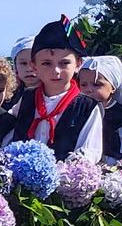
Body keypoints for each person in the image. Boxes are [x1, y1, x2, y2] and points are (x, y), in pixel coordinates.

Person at [21, 16, 103, 162]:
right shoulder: (25, 99)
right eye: (47, 63)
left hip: (66, 181)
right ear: (34, 65)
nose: (56, 71)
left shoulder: (87, 107)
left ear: (78, 64)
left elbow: (90, 152)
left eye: (64, 63)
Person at [77, 55, 122, 166]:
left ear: (113, 87)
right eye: (83, 85)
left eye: (96, 84)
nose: (88, 89)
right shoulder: (78, 112)